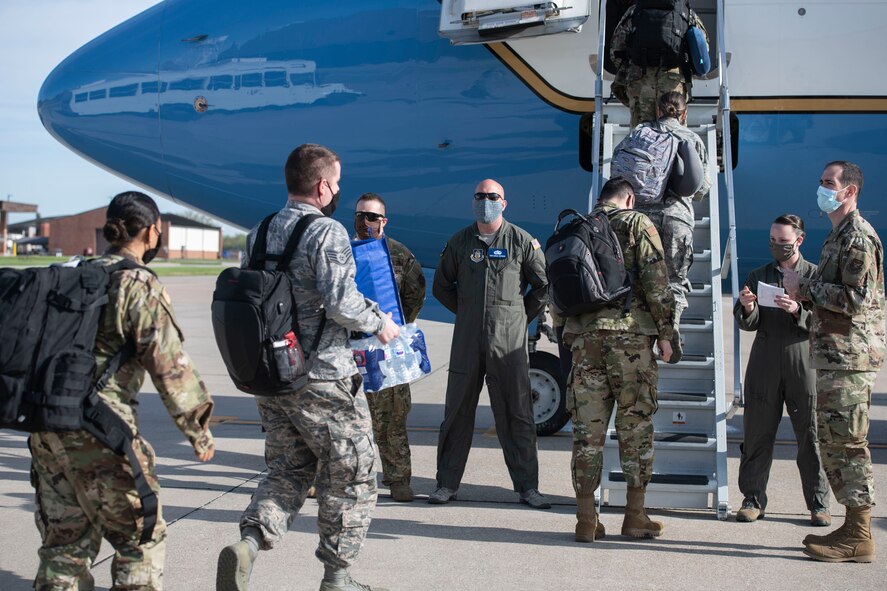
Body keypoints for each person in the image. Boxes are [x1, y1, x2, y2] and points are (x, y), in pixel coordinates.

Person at [217, 145, 400, 591]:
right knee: (353, 472)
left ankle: (251, 541)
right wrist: (381, 323)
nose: (337, 191)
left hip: (273, 376)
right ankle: (337, 579)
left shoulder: (259, 232)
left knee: (288, 468)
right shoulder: (327, 232)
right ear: (321, 186)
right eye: (335, 183)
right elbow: (341, 303)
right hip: (323, 377)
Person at [28, 191, 216, 590]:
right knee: (140, 542)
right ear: (151, 232)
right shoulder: (138, 284)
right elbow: (170, 366)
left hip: (47, 428)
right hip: (102, 432)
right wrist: (197, 429)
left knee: (65, 546)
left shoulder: (70, 273)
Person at [554, 178, 675, 541]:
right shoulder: (636, 223)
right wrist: (667, 332)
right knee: (634, 426)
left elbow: (558, 288)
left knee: (586, 434)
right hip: (630, 341)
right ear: (629, 198)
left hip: (584, 340)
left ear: (599, 199)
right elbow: (656, 281)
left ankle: (585, 520)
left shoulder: (576, 227)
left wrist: (566, 331)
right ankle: (634, 516)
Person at [782, 161, 884, 563]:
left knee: (848, 442)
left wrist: (803, 286)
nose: (822, 188)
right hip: (834, 354)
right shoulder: (837, 235)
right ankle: (851, 526)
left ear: (850, 191)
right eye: (821, 181)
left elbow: (856, 299)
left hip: (849, 357)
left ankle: (859, 534)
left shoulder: (857, 237)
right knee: (834, 440)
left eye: (829, 183)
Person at [430, 179, 550, 509]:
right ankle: (446, 484)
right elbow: (441, 286)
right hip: (468, 342)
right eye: (480, 196)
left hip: (508, 344)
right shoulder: (459, 242)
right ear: (473, 202)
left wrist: (517, 317)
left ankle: (529, 487)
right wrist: (468, 311)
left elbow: (541, 287)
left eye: (492, 196)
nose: (486, 201)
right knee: (456, 412)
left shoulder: (521, 242)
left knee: (517, 414)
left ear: (504, 202)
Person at [733, 214, 831, 526]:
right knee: (757, 432)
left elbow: (828, 324)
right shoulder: (758, 274)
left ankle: (818, 504)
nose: (777, 246)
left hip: (803, 359)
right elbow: (748, 324)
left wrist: (798, 310)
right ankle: (753, 499)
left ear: (799, 240)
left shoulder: (815, 277)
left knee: (810, 436)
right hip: (765, 359)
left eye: (784, 242)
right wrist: (747, 307)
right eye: (773, 241)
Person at [353, 192, 426, 502]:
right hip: (351, 348)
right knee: (348, 421)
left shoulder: (398, 255)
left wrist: (396, 326)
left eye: (370, 216)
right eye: (359, 215)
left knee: (392, 419)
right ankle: (348, 480)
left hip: (387, 350)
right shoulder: (343, 251)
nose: (364, 221)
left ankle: (398, 480)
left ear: (384, 221)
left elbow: (415, 293)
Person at [630, 91, 711, 362]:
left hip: (641, 217)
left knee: (641, 276)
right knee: (674, 279)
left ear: (656, 110)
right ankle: (670, 327)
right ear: (684, 113)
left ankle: (643, 334)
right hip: (677, 218)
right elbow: (701, 189)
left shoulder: (639, 133)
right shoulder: (691, 139)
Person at [610, 0, 709, 128]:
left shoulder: (634, 11)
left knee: (641, 135)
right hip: (673, 84)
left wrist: (630, 68)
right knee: (674, 133)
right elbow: (702, 48)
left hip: (640, 82)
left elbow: (615, 50)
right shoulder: (686, 13)